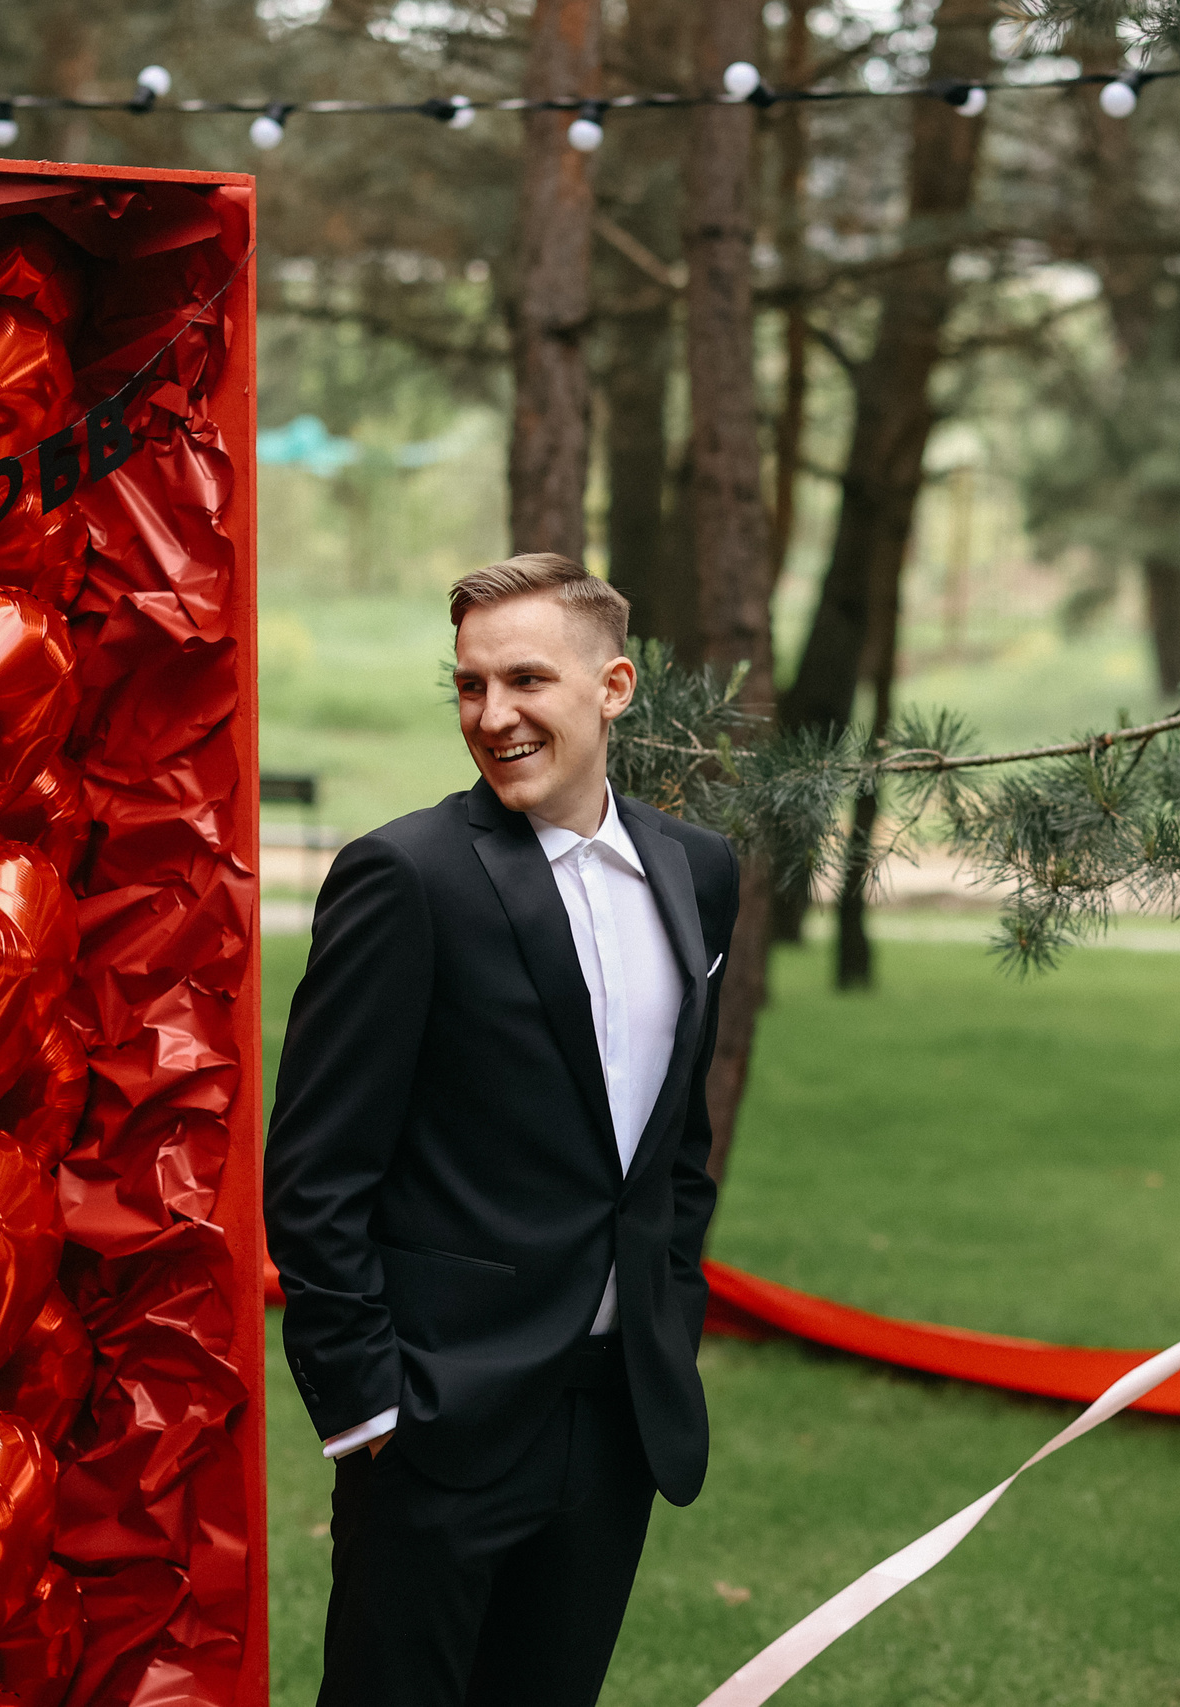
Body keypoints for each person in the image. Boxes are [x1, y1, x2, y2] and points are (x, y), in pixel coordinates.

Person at [265, 552, 741, 1706]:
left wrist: (663, 1321)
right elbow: (314, 1173)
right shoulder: (407, 877)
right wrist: (371, 1407)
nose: (493, 715)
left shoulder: (697, 872)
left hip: (616, 1416)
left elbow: (673, 1148)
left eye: (525, 680)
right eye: (470, 686)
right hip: (436, 1419)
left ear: (613, 686)